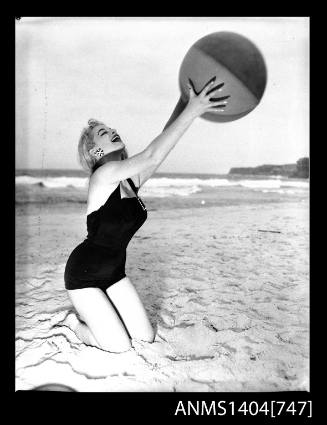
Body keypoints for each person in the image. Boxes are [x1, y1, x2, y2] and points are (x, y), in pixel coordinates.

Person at [63, 77, 230, 353]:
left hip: (115, 273)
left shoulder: (130, 179)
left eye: (111, 128)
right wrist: (196, 109)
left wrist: (185, 101)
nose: (113, 131)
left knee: (145, 340)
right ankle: (74, 323)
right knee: (118, 346)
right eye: (103, 132)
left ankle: (100, 312)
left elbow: (162, 144)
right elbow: (152, 155)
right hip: (83, 275)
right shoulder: (103, 176)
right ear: (96, 150)